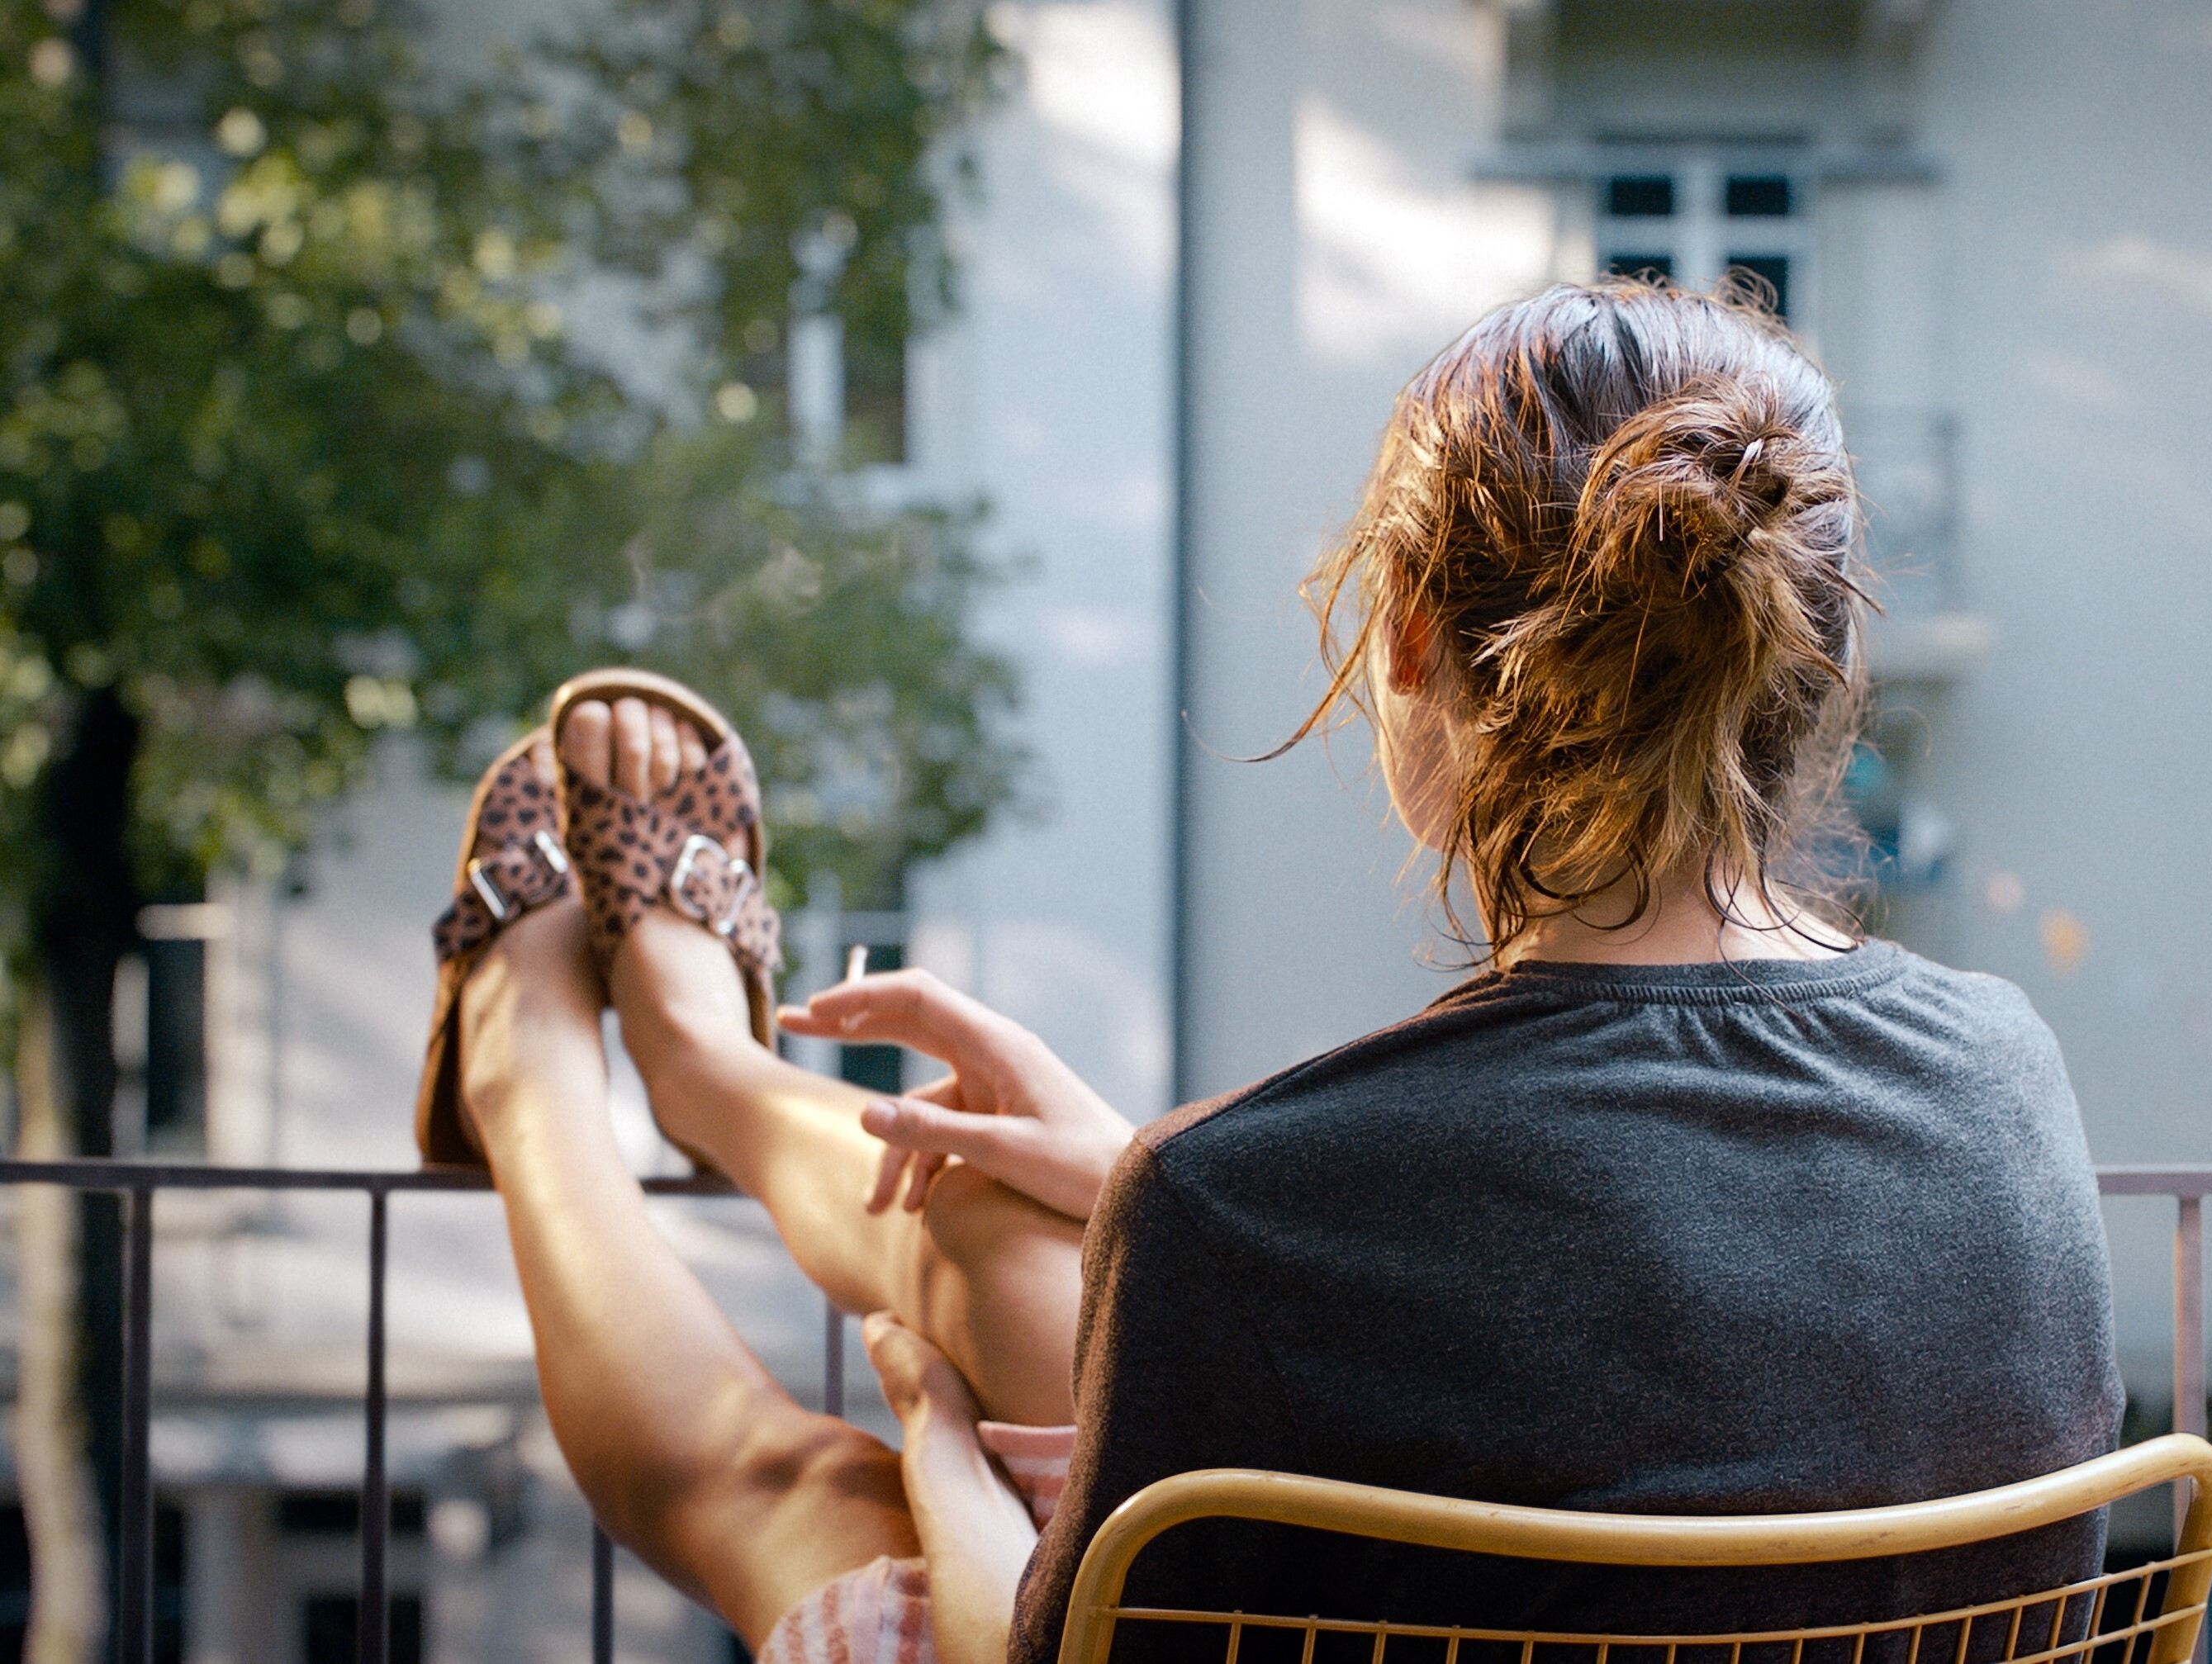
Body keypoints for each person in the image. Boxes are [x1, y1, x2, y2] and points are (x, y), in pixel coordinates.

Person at [422, 278, 2122, 1664]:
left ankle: (538, 1058)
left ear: (1403, 651)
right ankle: (707, 1073)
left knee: (789, 1485)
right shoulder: (2006, 1074)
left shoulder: (1251, 1197)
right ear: (1811, 673)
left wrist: (938, 1443)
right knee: (1002, 1244)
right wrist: (1161, 1196)